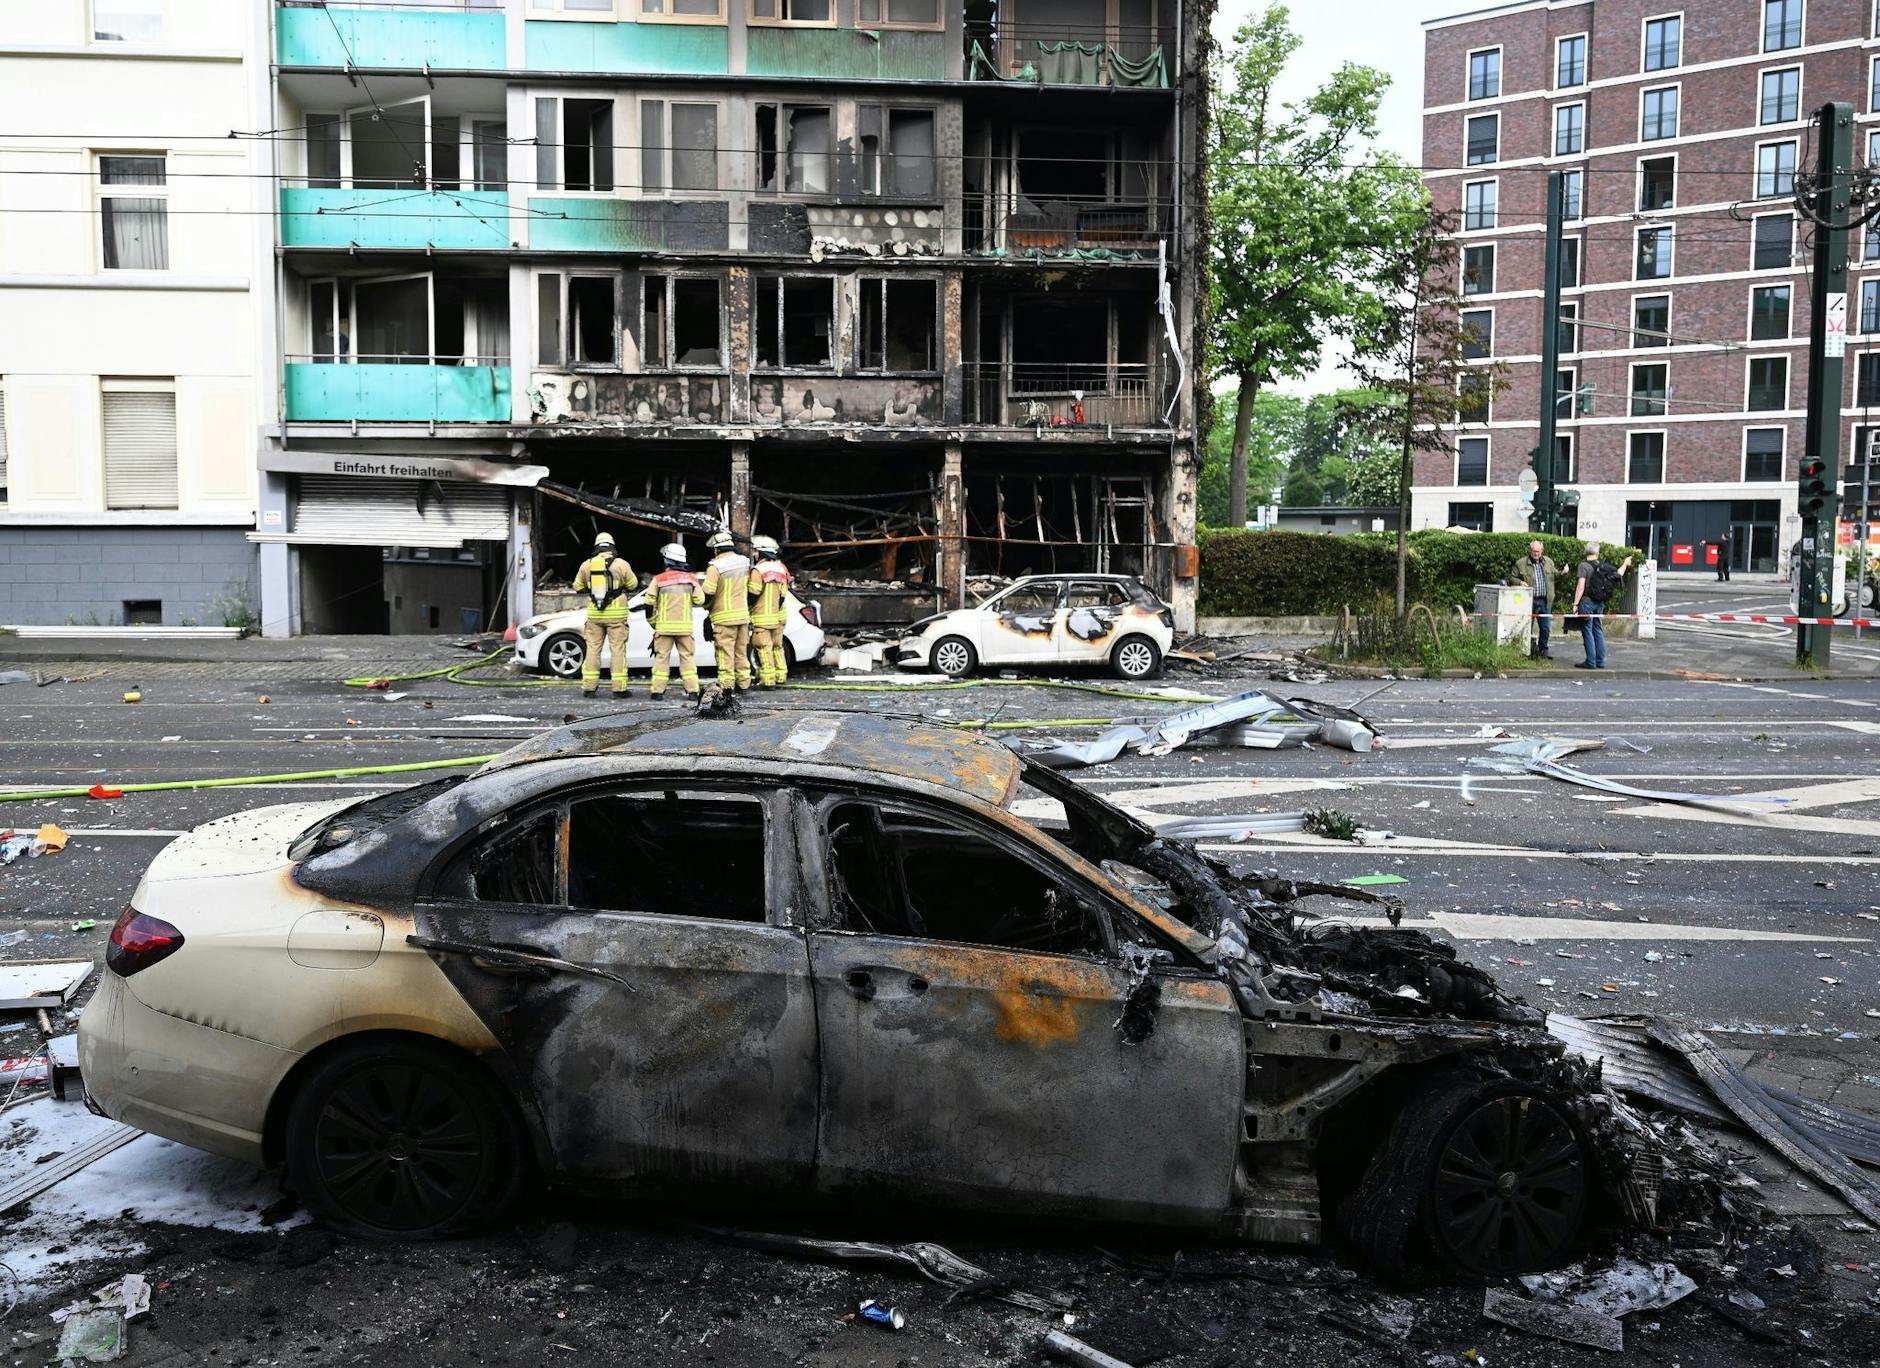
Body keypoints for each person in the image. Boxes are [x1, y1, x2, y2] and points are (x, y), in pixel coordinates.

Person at [570, 532, 637, 698]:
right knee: (617, 651)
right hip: (617, 616)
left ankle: (589, 688)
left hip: (595, 615)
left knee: (592, 650)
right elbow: (633, 584)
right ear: (612, 546)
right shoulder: (621, 564)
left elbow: (577, 587)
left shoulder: (587, 565)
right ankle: (619, 689)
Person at [646, 543, 705, 700]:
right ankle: (693, 692)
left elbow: (649, 603)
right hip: (684, 628)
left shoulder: (658, 579)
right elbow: (700, 600)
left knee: (661, 658)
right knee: (687, 658)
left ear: (667, 561)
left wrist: (653, 623)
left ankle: (657, 692)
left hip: (663, 628)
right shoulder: (691, 580)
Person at [700, 530, 754, 692]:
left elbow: (708, 592)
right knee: (741, 652)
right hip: (743, 616)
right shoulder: (745, 563)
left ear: (717, 549)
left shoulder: (715, 566)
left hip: (724, 618)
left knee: (725, 654)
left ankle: (727, 687)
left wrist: (706, 608)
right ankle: (744, 684)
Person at [1570, 542, 1632, 670]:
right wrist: (1625, 563)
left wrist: (1575, 603)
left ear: (1585, 552)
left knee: (1587, 630)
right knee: (1598, 630)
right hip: (1599, 603)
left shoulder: (1583, 566)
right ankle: (1600, 661)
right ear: (1597, 553)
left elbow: (1581, 586)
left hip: (1586, 602)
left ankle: (1590, 661)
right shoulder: (1603, 566)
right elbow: (1619, 574)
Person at [748, 534, 794, 688]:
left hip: (761, 616)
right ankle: (781, 676)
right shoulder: (781, 569)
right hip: (777, 616)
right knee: (777, 647)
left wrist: (748, 608)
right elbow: (783, 595)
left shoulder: (758, 570)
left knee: (763, 648)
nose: (754, 554)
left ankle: (768, 681)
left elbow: (753, 593)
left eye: (756, 551)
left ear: (761, 552)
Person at [1505, 539, 1560, 660]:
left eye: (1538, 551)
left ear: (1542, 551)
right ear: (1530, 551)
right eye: (1534, 551)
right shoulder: (1521, 563)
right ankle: (1526, 651)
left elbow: (1555, 575)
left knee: (1545, 628)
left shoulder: (1549, 562)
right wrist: (1519, 582)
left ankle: (1543, 652)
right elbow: (1511, 578)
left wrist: (1563, 573)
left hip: (1545, 601)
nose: (1536, 553)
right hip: (1528, 601)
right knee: (1526, 627)